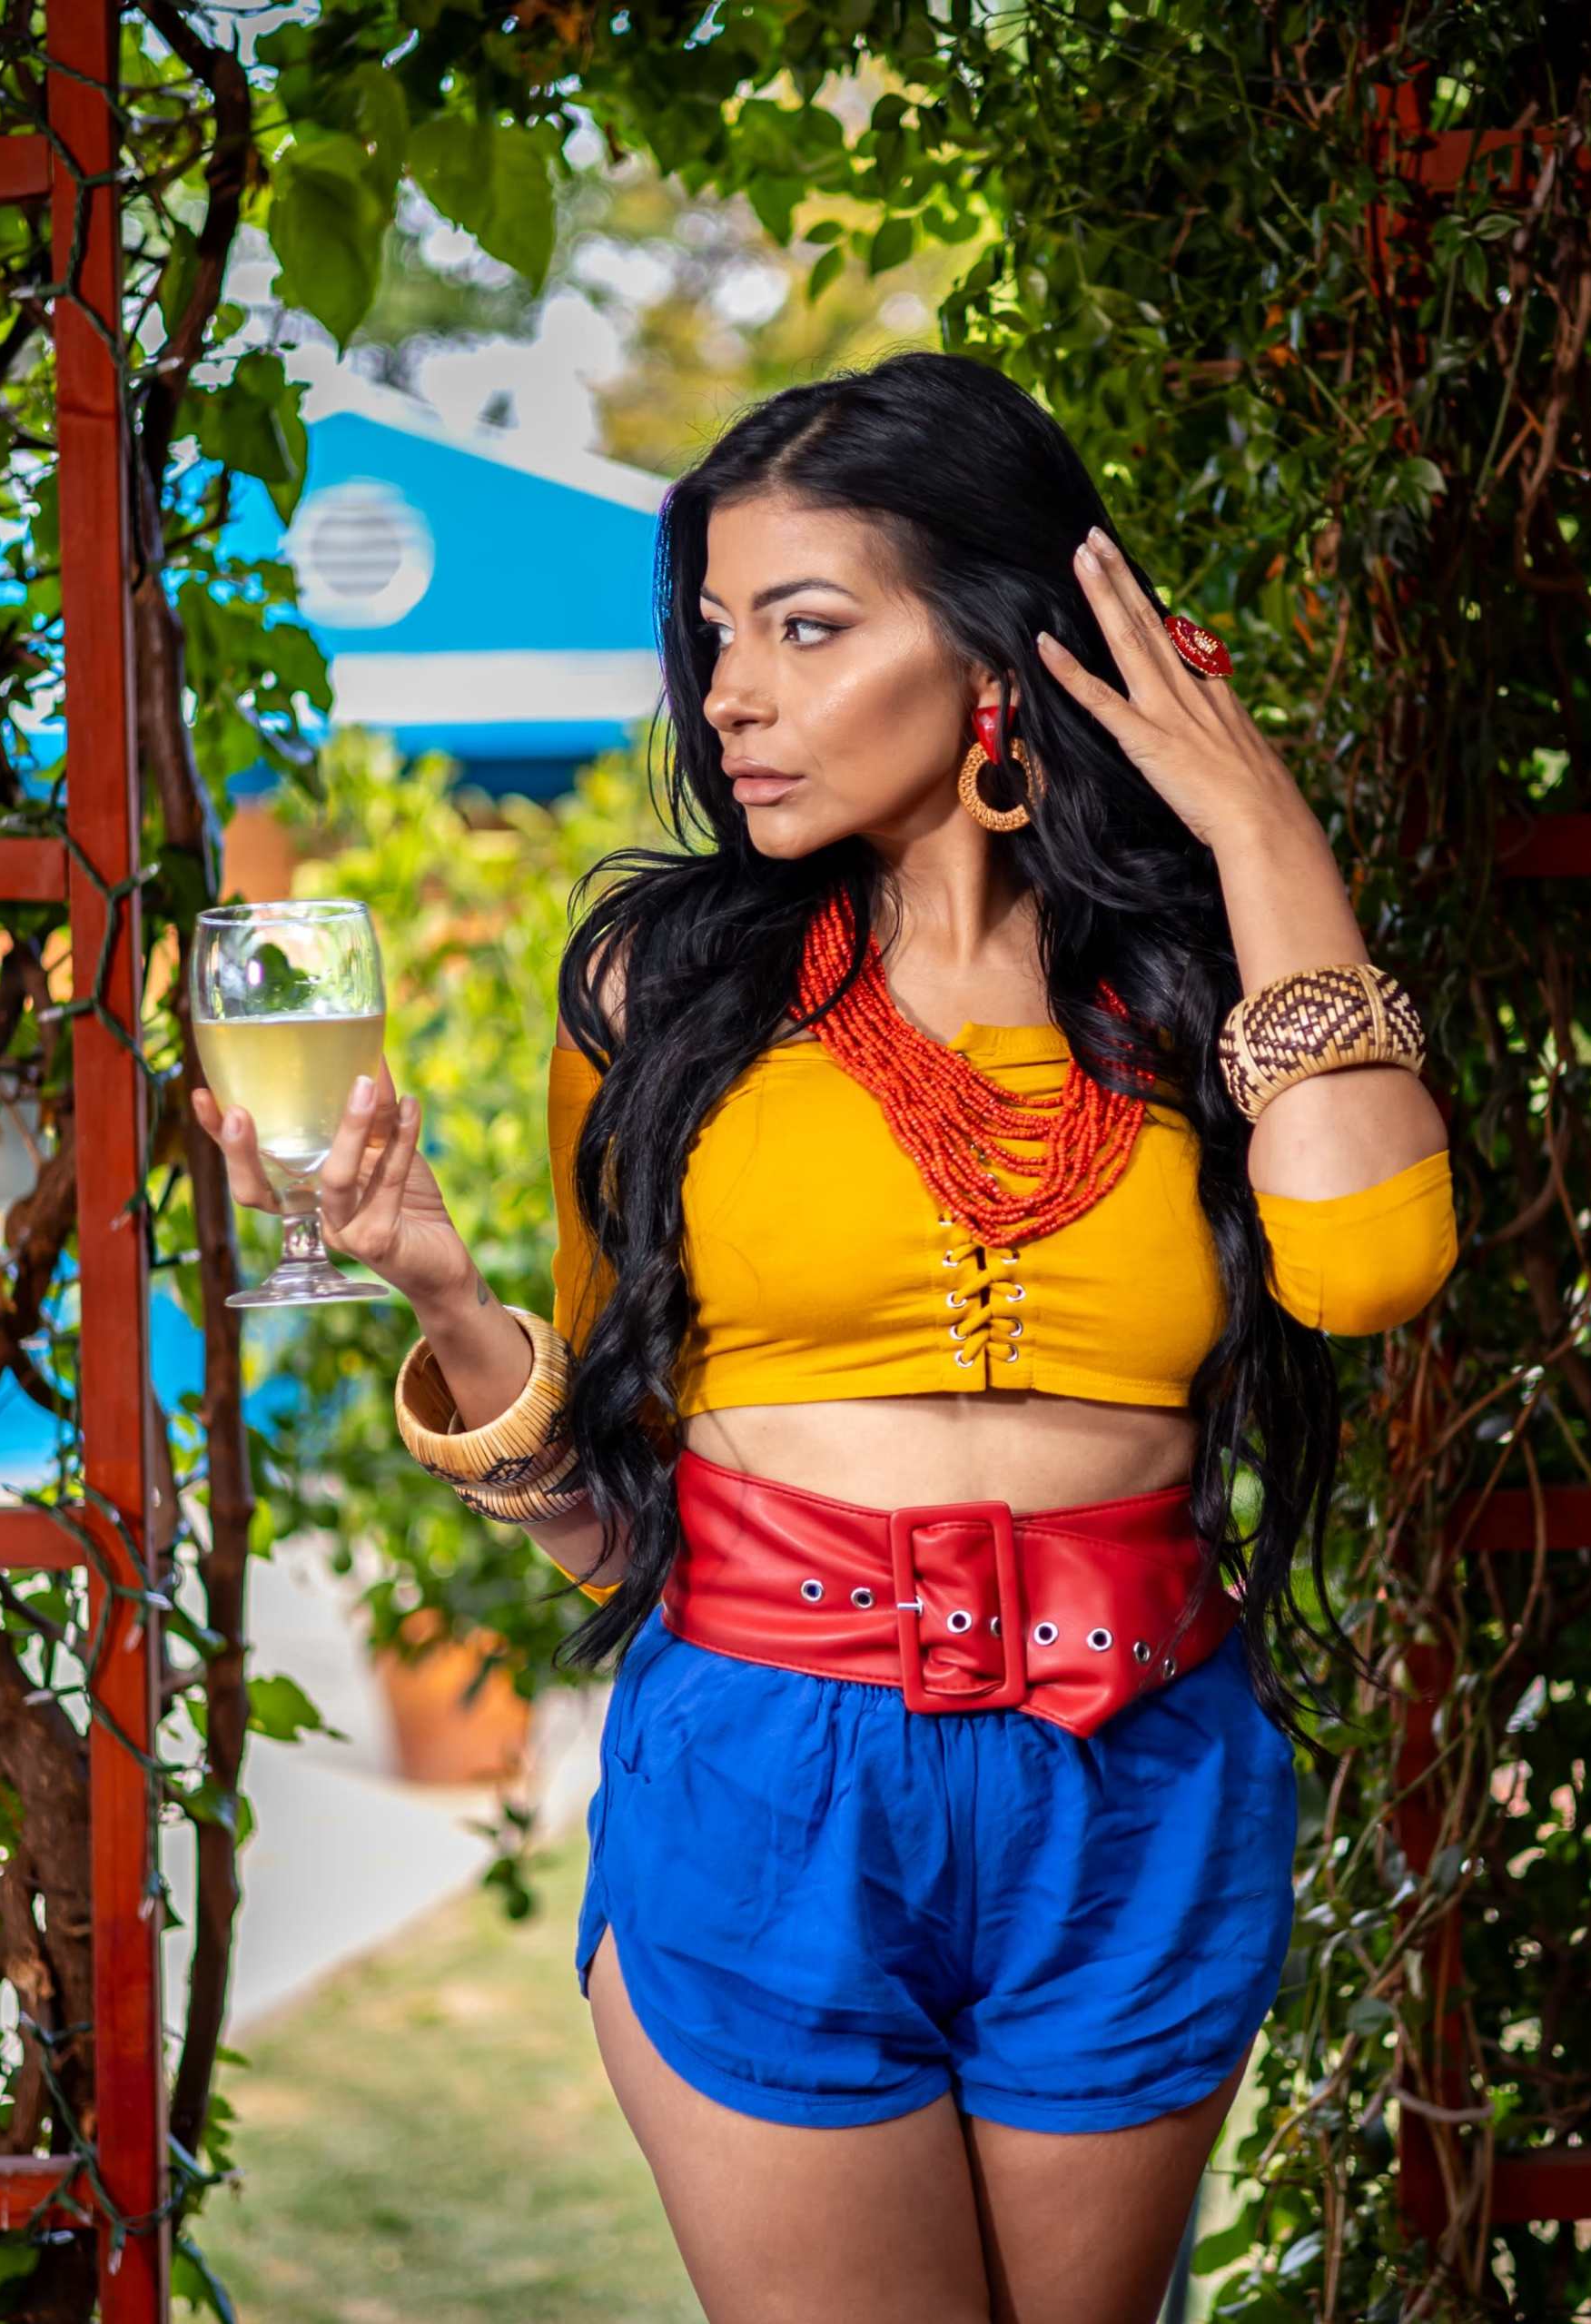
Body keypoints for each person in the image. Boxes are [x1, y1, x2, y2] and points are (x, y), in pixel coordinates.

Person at [195, 348, 1456, 2324]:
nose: (732, 697)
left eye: (803, 625)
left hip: (1136, 1781)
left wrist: (1254, 815)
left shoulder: (1194, 974)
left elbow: (1372, 1263)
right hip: (774, 1779)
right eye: (716, 636)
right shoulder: (662, 987)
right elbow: (624, 1520)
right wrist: (443, 1292)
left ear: (995, 659)